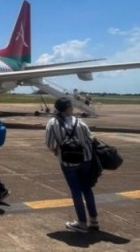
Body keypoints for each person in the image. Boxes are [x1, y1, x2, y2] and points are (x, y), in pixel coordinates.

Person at [45, 97, 98, 233]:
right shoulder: (79, 122)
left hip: (68, 162)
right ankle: (94, 220)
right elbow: (91, 139)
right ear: (69, 108)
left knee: (76, 192)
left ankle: (82, 223)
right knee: (87, 189)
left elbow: (50, 144)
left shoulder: (52, 123)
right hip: (86, 160)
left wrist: (58, 153)